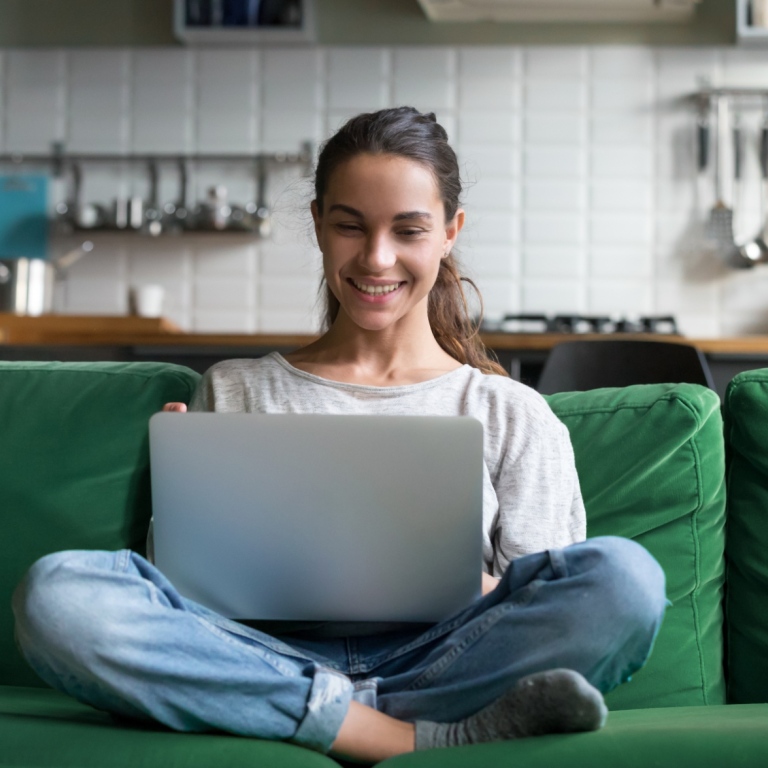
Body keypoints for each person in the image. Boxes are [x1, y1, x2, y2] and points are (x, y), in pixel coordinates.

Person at [13, 107, 667, 764]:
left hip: (444, 663)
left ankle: (305, 717)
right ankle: (393, 734)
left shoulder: (510, 412)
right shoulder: (236, 389)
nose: (376, 258)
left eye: (408, 230)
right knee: (57, 595)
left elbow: (544, 599)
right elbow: (187, 602)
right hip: (262, 657)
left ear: (449, 233)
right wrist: (184, 509)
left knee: (627, 579)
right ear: (320, 225)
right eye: (350, 226)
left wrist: (468, 584)